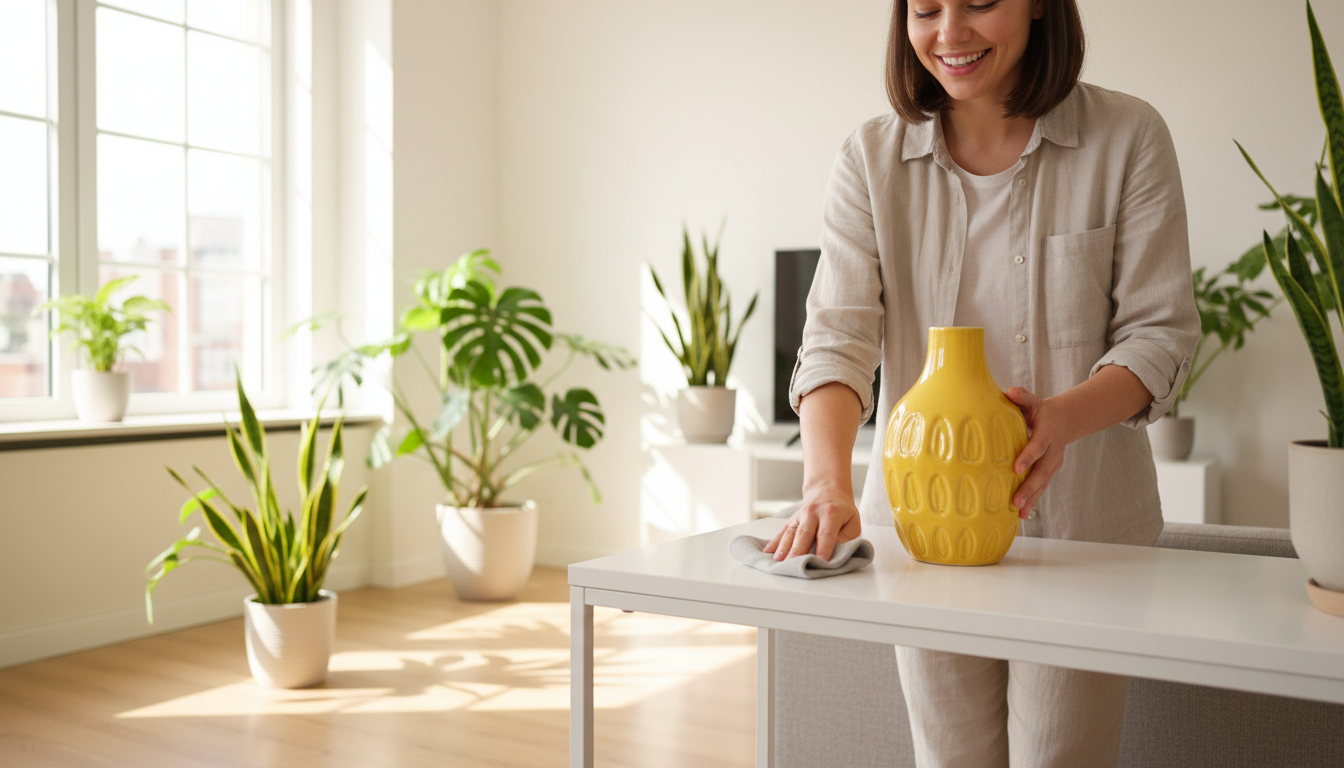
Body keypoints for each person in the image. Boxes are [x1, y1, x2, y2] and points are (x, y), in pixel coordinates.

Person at [763, 0, 1200, 766]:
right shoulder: (870, 158)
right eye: (925, 9)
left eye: (979, 4)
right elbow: (837, 338)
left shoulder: (1128, 137)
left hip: (1082, 532)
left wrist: (1061, 418)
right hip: (922, 532)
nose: (949, 34)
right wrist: (824, 485)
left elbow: (1160, 333)